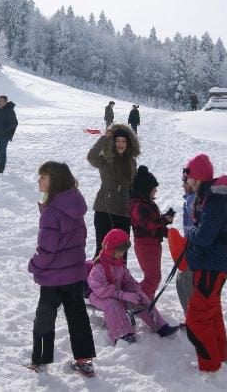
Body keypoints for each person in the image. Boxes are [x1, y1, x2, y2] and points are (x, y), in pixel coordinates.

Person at [27, 161, 96, 377]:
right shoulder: (75, 203)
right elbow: (81, 238)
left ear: (54, 181)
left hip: (54, 278)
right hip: (74, 274)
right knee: (77, 315)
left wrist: (34, 265)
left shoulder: (51, 212)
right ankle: (84, 361)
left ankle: (40, 360)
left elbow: (47, 249)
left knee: (45, 316)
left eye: (43, 177)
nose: (39, 181)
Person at [184, 154, 227, 373]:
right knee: (211, 313)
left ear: (198, 177)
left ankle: (210, 366)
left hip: (211, 266)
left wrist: (189, 232)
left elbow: (204, 237)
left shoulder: (214, 201)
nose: (187, 181)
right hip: (209, 265)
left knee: (197, 318)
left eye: (190, 176)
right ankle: (219, 359)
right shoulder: (207, 196)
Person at [87, 229, 180, 345]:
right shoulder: (99, 267)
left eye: (123, 252)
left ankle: (160, 326)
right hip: (98, 296)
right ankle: (123, 334)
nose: (121, 254)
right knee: (112, 305)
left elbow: (128, 281)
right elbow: (101, 289)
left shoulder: (119, 264)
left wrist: (136, 291)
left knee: (141, 297)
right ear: (109, 248)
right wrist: (123, 295)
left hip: (117, 293)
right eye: (119, 251)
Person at [87, 124, 140, 259]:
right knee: (102, 249)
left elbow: (134, 186)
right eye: (117, 141)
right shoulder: (105, 160)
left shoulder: (132, 162)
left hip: (124, 211)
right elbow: (91, 156)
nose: (120, 144)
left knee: (122, 252)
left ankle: (120, 279)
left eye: (123, 141)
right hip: (105, 209)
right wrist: (104, 138)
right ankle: (96, 279)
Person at [130, 166, 174, 300]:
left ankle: (147, 300)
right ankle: (138, 300)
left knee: (154, 277)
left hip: (153, 245)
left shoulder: (148, 204)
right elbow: (148, 224)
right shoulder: (137, 206)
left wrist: (170, 233)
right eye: (153, 188)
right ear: (145, 190)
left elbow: (155, 225)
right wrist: (164, 220)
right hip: (145, 246)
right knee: (153, 278)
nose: (156, 190)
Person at [175, 172, 196, 316]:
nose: (183, 185)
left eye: (185, 182)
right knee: (182, 280)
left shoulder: (195, 201)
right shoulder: (189, 200)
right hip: (189, 246)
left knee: (185, 281)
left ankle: (193, 318)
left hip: (195, 248)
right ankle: (191, 316)